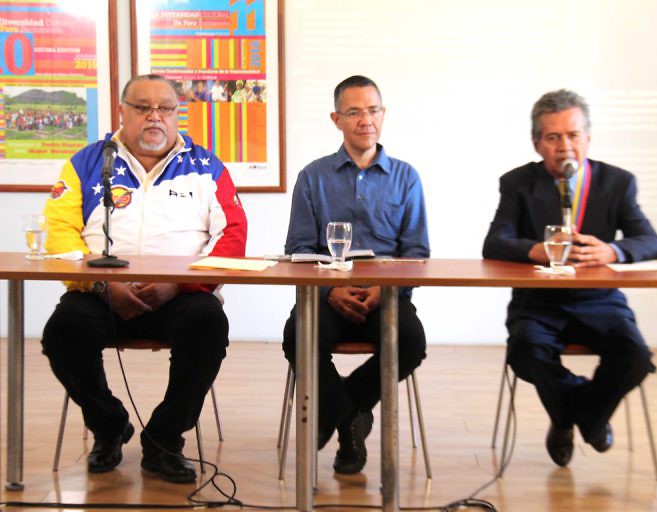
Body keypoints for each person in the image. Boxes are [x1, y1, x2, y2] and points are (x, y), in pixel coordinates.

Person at [40, 74, 248, 483]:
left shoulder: (206, 166)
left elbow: (234, 235)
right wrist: (101, 285)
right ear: (122, 111)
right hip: (99, 293)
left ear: (176, 114)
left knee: (208, 325)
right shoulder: (86, 162)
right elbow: (60, 233)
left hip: (182, 295)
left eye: (165, 108)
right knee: (62, 332)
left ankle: (165, 438)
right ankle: (109, 426)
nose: (155, 116)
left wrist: (180, 283)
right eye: (142, 107)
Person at [482, 89, 657, 467]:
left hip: (600, 301)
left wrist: (612, 251)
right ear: (537, 144)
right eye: (553, 137)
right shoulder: (517, 183)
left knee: (635, 357)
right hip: (538, 303)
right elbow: (495, 243)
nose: (565, 146)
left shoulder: (617, 182)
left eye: (573, 135)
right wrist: (538, 250)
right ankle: (583, 415)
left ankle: (571, 415)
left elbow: (651, 241)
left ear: (588, 139)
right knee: (526, 352)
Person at [282, 75, 430, 475]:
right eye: (354, 112)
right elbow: (297, 248)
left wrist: (385, 290)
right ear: (336, 119)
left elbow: (416, 253)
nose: (366, 120)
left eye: (373, 110)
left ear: (383, 114)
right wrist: (331, 291)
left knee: (412, 342)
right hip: (327, 297)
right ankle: (350, 419)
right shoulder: (313, 177)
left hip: (387, 297)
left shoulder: (405, 177)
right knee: (298, 336)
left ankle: (340, 411)